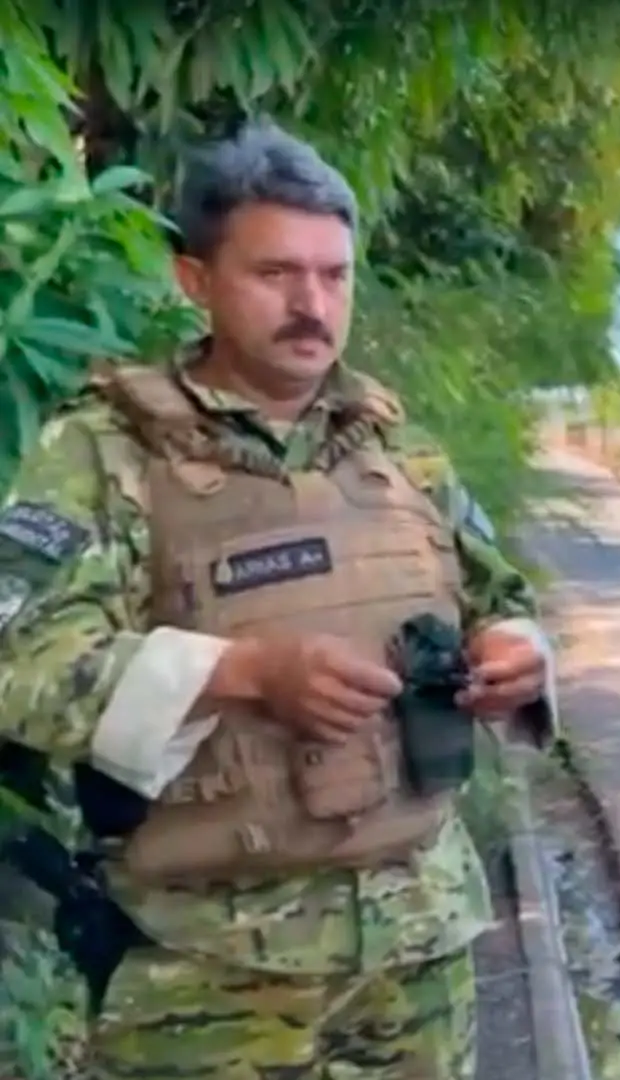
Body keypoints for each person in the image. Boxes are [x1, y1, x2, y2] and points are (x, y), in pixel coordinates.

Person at [0, 119, 556, 1078]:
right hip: (205, 973)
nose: (313, 304)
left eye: (334, 275)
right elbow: (22, 665)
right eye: (276, 274)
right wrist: (243, 672)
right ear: (195, 281)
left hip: (417, 952)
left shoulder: (401, 452)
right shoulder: (102, 451)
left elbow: (497, 595)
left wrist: (517, 652)